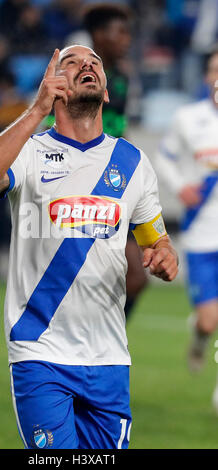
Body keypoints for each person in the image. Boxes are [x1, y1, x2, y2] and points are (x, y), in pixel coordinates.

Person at [0, 45, 178, 449]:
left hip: (109, 355)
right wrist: (36, 110)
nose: (87, 66)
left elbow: (156, 239)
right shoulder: (28, 152)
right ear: (56, 84)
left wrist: (165, 256)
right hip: (39, 350)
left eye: (94, 63)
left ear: (106, 92)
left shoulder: (132, 162)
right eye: (73, 63)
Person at [155, 47, 218, 408]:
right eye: (214, 68)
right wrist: (180, 186)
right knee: (209, 321)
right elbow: (164, 157)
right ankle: (198, 338)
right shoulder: (188, 118)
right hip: (202, 235)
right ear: (206, 75)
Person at [82, 4, 148, 319]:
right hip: (78, 188)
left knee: (136, 277)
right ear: (98, 35)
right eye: (119, 32)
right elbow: (51, 124)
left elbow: (119, 127)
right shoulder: (75, 75)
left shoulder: (120, 77)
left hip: (114, 186)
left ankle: (106, 338)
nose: (126, 40)